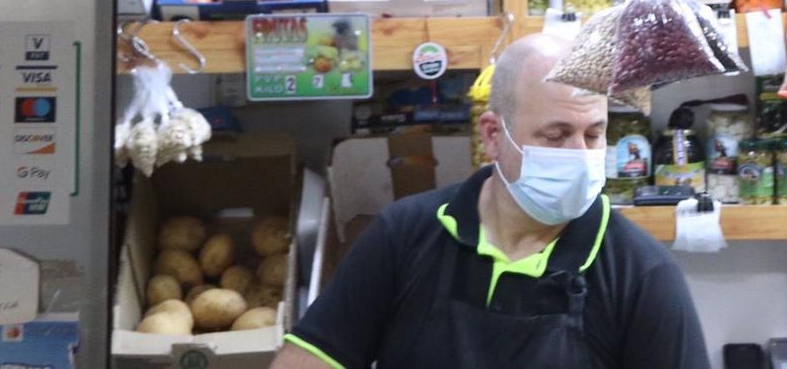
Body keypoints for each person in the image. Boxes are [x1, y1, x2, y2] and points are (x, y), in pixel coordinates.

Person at [273, 31, 711, 369]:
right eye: (555, 136)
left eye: (594, 135)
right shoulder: (404, 236)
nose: (580, 157)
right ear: (493, 135)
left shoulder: (643, 275)